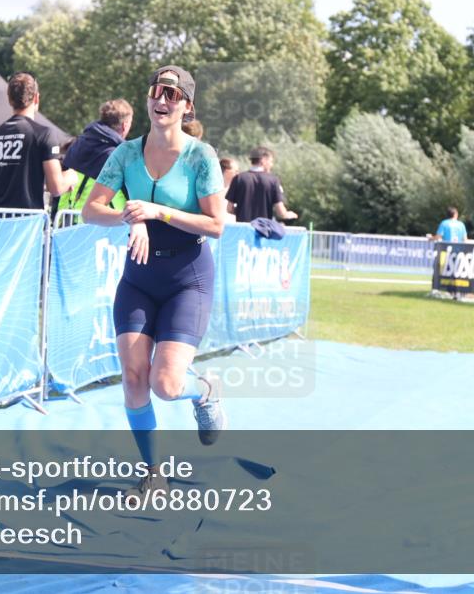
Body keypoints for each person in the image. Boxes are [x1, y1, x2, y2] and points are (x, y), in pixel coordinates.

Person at [82, 65, 228, 495]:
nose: (161, 100)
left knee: (165, 386)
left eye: (172, 94)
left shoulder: (200, 156)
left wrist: (157, 212)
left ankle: (204, 390)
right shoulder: (126, 154)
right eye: (156, 91)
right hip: (139, 278)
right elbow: (91, 210)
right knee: (133, 379)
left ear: (187, 106)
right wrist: (132, 216)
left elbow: (216, 225)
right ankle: (153, 473)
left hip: (188, 280)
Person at [0, 72, 77, 209]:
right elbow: (56, 188)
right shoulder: (44, 134)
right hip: (26, 219)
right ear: (36, 98)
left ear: (9, 99)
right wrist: (72, 176)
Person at [58, 99, 132, 215]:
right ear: (125, 125)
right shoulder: (119, 156)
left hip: (70, 219)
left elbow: (60, 185)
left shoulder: (76, 145)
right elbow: (133, 195)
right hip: (108, 222)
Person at [225, 146, 297, 223]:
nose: (271, 165)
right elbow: (281, 212)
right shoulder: (273, 180)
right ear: (263, 160)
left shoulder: (238, 178)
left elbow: (229, 209)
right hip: (263, 228)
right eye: (270, 161)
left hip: (243, 228)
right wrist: (290, 215)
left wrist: (242, 211)